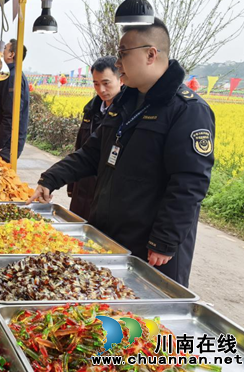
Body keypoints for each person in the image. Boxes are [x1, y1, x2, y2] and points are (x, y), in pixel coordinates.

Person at [28, 18, 215, 287]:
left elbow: (189, 183)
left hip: (149, 247)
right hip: (107, 234)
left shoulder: (187, 110)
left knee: (144, 320)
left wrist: (163, 240)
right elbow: (92, 153)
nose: (118, 63)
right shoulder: (125, 102)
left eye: (123, 53)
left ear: (151, 54)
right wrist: (51, 179)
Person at [67, 57, 123, 220]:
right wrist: (72, 185)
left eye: (106, 83)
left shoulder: (125, 114)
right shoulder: (91, 111)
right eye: (96, 83)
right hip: (82, 186)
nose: (101, 89)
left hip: (105, 193)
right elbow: (80, 147)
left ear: (121, 80)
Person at [0, 39, 30, 163]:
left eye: (4, 49)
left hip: (5, 145)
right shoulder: (10, 75)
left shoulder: (12, 77)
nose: (0, 52)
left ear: (11, 54)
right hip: (3, 143)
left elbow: (11, 114)